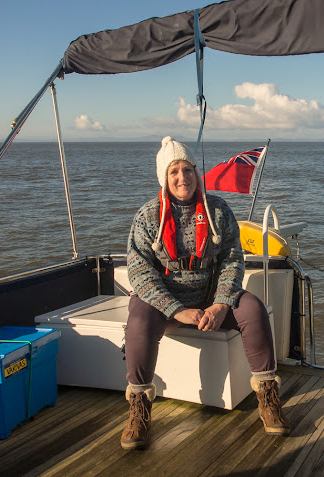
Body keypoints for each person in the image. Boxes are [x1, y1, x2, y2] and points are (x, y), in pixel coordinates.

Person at [120, 136, 290, 450]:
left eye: (187, 169)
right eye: (174, 172)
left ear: (196, 173)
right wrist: (176, 310)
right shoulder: (147, 216)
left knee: (252, 309)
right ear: (164, 177)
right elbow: (139, 272)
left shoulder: (219, 210)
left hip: (211, 298)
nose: (182, 177)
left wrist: (222, 305)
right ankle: (139, 407)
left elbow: (232, 259)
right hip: (166, 304)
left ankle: (268, 397)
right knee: (139, 318)